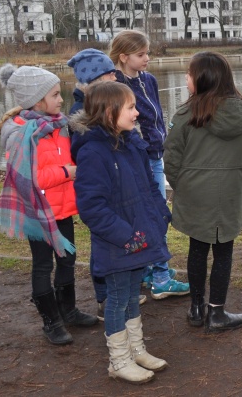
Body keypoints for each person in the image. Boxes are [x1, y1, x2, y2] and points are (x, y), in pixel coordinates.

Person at [71, 81, 171, 383]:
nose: (137, 112)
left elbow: (150, 188)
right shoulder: (93, 154)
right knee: (116, 299)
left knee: (131, 296)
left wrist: (160, 216)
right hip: (118, 242)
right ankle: (118, 359)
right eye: (131, 107)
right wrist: (126, 235)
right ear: (109, 112)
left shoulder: (131, 144)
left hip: (139, 238)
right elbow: (92, 207)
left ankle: (135, 348)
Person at [0, 64, 98, 346]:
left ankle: (68, 310)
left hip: (61, 208)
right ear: (37, 100)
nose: (61, 99)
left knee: (67, 259)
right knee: (42, 266)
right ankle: (51, 322)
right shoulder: (22, 134)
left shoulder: (59, 125)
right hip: (37, 213)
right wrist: (69, 172)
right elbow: (31, 178)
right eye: (55, 95)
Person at [164, 52, 242, 333]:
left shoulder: (184, 114)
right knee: (224, 251)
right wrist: (239, 178)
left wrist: (180, 185)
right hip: (227, 190)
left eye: (189, 74)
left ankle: (196, 307)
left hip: (194, 190)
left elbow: (171, 156)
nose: (185, 78)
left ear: (202, 79)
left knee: (197, 248)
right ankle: (216, 312)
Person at [109, 30, 189, 300]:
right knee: (152, 213)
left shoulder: (149, 80)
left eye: (147, 53)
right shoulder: (115, 87)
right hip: (137, 158)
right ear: (123, 56)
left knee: (153, 210)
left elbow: (156, 114)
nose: (147, 58)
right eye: (141, 54)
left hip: (156, 154)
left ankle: (149, 267)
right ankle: (161, 277)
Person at [67, 47, 146, 317]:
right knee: (104, 247)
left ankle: (119, 295)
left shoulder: (111, 116)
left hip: (120, 196)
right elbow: (90, 162)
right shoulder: (84, 115)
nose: (115, 77)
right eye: (110, 74)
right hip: (107, 197)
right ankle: (104, 297)